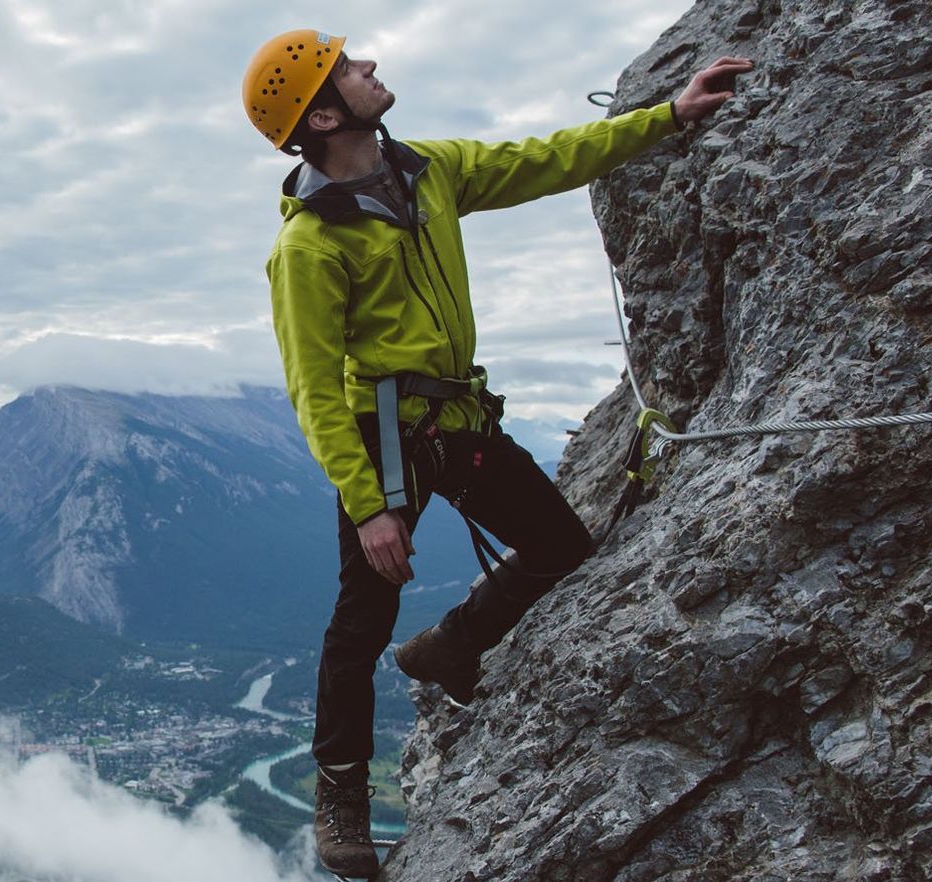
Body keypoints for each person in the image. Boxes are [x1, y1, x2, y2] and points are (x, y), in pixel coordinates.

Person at [243, 29, 752, 878]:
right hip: (388, 441)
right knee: (360, 623)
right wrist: (368, 505)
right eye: (349, 68)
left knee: (562, 548)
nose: (369, 67)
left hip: (460, 424)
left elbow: (542, 159)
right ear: (324, 113)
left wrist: (667, 117)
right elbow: (313, 387)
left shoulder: (426, 171)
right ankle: (339, 801)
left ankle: (451, 647)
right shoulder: (308, 246)